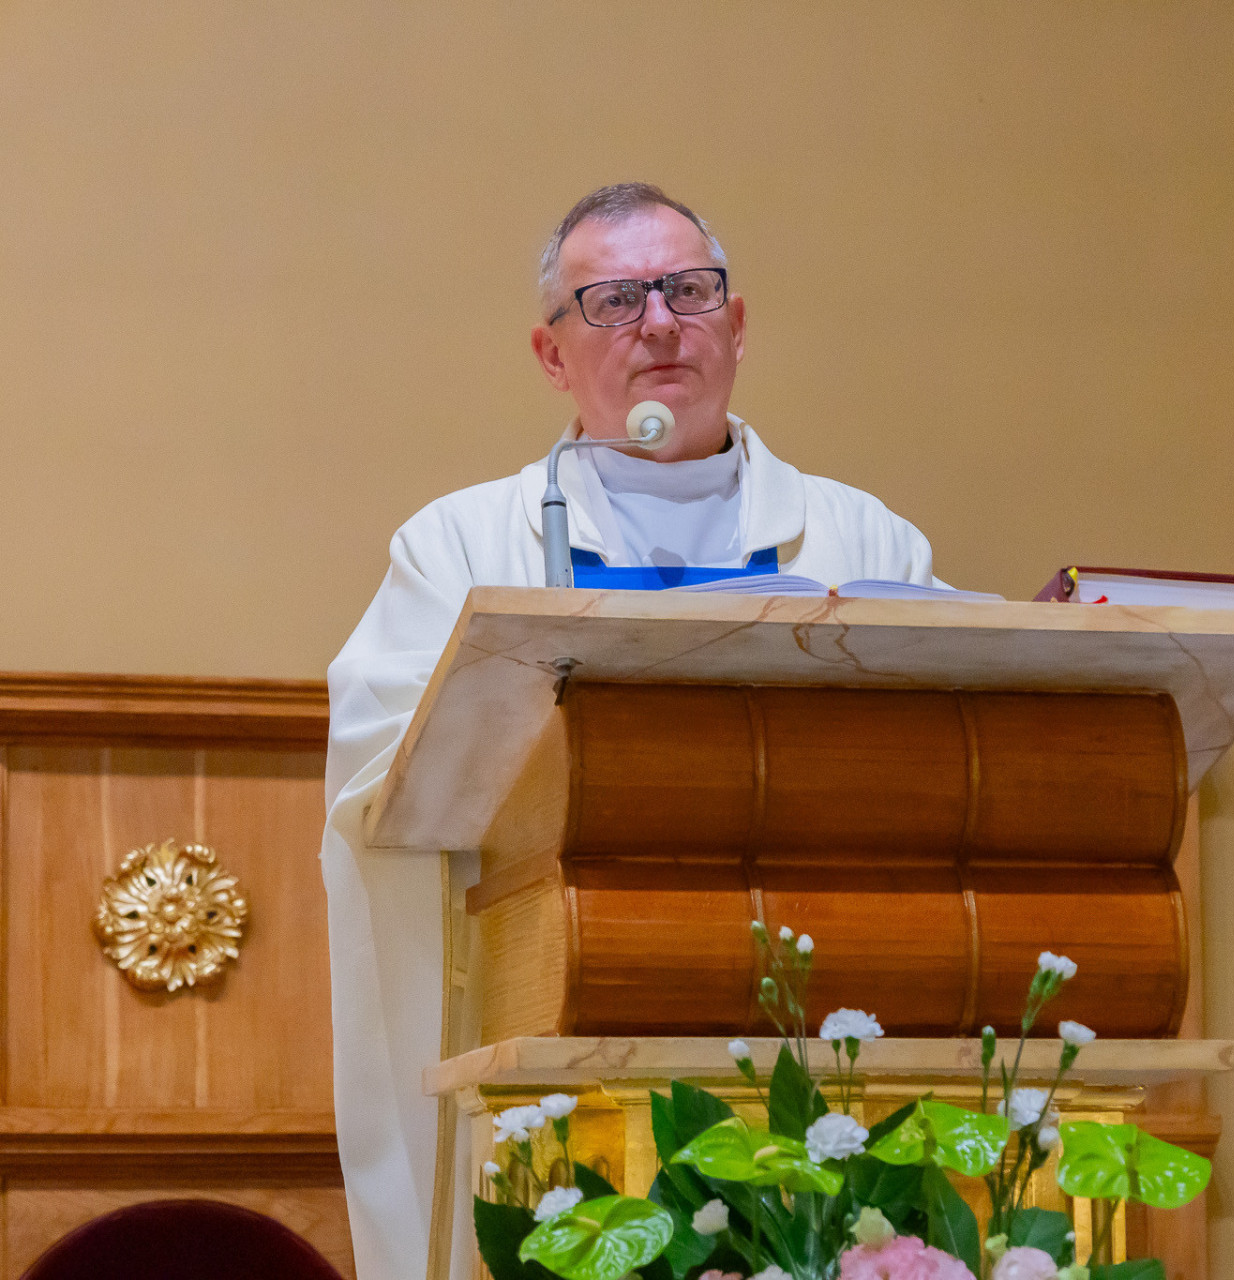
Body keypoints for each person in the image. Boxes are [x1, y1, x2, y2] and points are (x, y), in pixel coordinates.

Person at [319, 183, 938, 1279]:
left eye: (688, 291)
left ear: (735, 325)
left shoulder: (863, 541)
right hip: (560, 1009)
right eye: (612, 301)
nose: (658, 323)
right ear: (551, 355)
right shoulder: (462, 548)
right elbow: (386, 776)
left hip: (811, 1009)